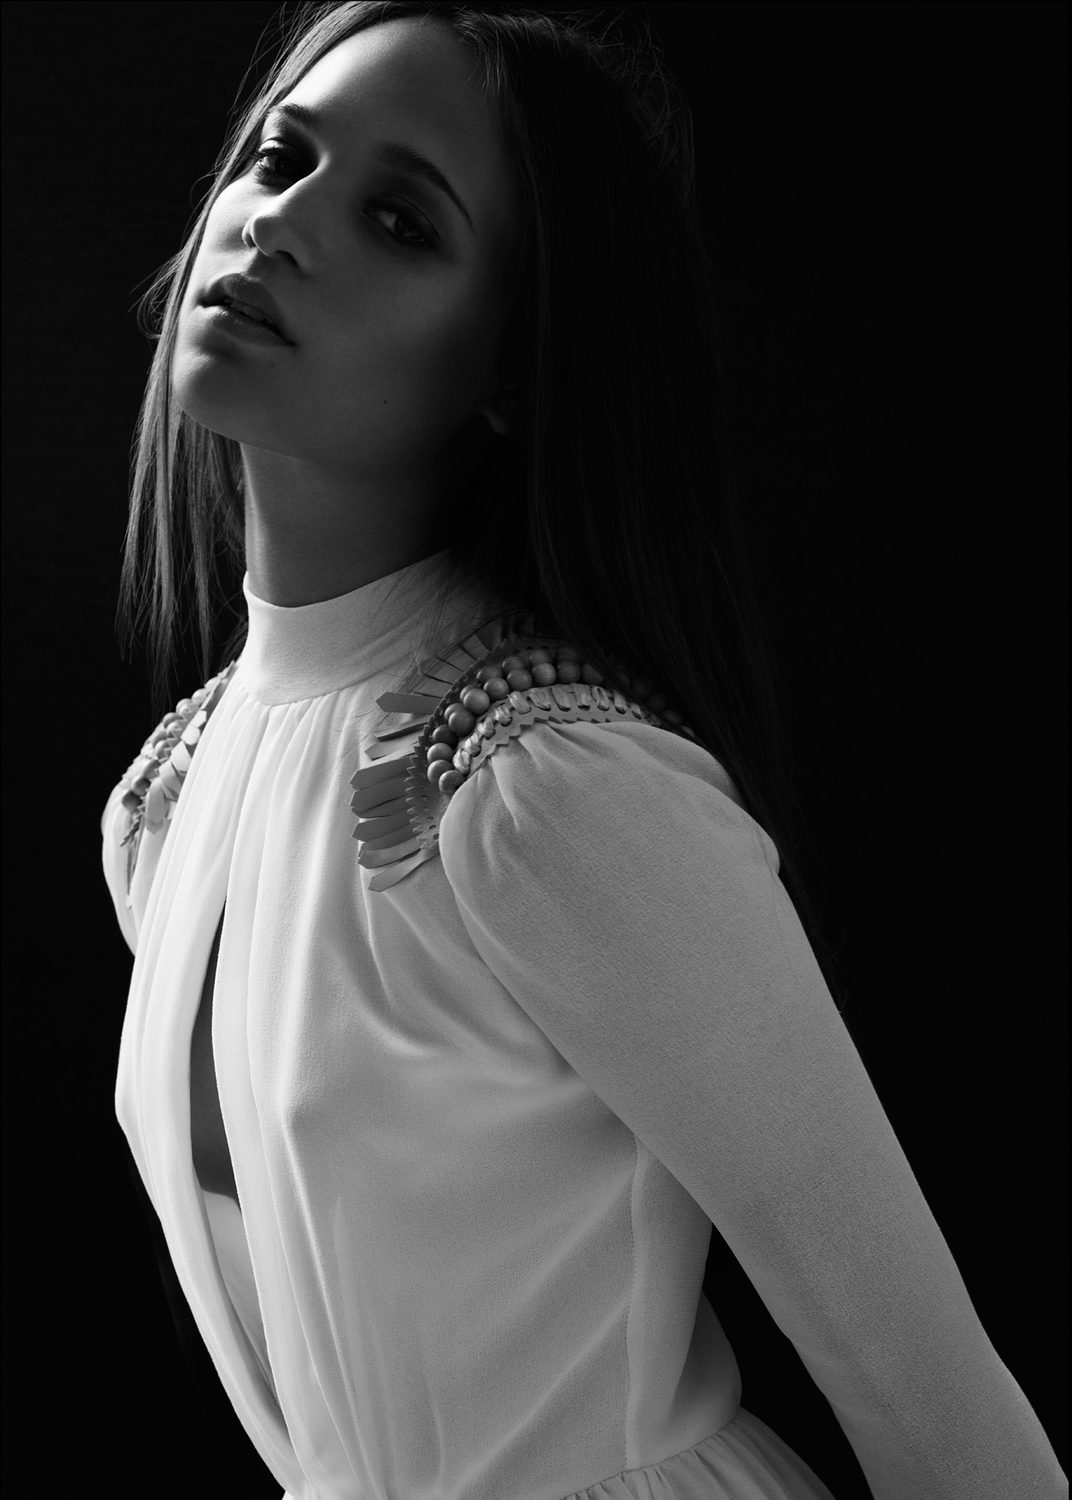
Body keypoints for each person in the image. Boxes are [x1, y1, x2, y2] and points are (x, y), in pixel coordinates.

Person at [100, 4, 1068, 1499]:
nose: (281, 222)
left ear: (515, 364)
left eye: (403, 221)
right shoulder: (167, 804)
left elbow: (936, 1404)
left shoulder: (550, 794)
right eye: (282, 158)